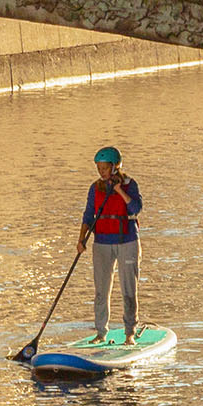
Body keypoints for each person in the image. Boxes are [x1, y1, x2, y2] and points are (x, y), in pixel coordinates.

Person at [75, 146, 144, 345]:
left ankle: (130, 333)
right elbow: (88, 215)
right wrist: (81, 240)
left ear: (115, 167)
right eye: (99, 168)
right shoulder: (95, 188)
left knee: (128, 289)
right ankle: (100, 333)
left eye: (104, 168)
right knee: (101, 290)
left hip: (127, 241)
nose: (101, 172)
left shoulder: (130, 185)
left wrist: (119, 190)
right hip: (102, 243)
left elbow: (136, 208)